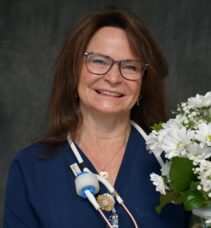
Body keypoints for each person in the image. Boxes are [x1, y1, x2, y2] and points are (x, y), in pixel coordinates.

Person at [3, 7, 189, 228]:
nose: (113, 77)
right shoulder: (31, 168)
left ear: (143, 82)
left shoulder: (178, 161)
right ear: (74, 73)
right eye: (99, 61)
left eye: (130, 66)